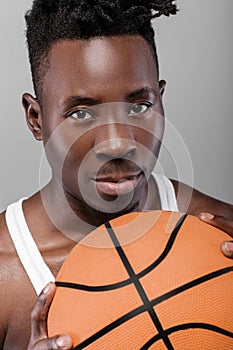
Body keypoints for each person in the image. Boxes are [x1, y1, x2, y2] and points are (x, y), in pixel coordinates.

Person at [0, 0, 232, 349]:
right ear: (36, 118)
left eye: (139, 107)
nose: (117, 143)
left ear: (162, 101)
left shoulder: (221, 237)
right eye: (81, 114)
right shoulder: (6, 277)